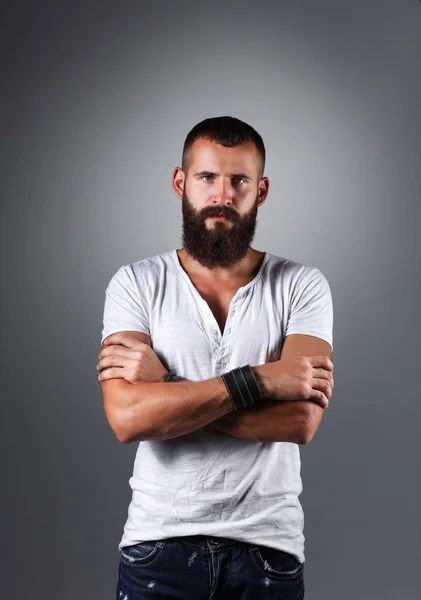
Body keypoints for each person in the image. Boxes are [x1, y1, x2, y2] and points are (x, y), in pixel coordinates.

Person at [97, 115, 334, 600]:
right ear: (180, 183)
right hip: (158, 544)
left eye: (238, 180)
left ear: (261, 191)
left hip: (268, 549)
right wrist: (262, 381)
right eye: (207, 177)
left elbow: (299, 423)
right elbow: (125, 417)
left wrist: (166, 392)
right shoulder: (136, 284)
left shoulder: (303, 286)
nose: (222, 195)